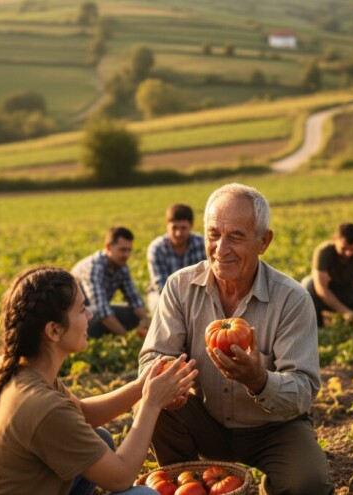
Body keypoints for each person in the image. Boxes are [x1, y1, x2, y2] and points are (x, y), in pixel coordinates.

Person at [139, 183, 334, 495]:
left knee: (309, 485)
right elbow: (153, 357)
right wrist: (169, 382)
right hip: (207, 420)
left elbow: (303, 390)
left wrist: (258, 379)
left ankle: (276, 480)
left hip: (273, 428)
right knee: (152, 402)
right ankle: (188, 482)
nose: (220, 248)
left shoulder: (292, 299)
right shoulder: (180, 287)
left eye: (236, 237)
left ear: (263, 241)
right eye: (214, 234)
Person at [0, 266, 196, 495]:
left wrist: (140, 387)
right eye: (81, 309)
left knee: (101, 440)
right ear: (53, 330)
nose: (90, 315)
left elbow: (84, 414)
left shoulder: (14, 367)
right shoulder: (43, 406)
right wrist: (151, 404)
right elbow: (121, 477)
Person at [72, 226, 151, 338]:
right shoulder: (94, 268)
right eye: (122, 250)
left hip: (96, 312)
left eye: (129, 250)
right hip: (77, 315)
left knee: (133, 313)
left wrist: (146, 319)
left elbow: (134, 299)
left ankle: (107, 334)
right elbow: (101, 310)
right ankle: (91, 337)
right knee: (96, 312)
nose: (126, 255)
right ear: (109, 247)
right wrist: (126, 337)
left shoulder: (122, 267)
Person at [301, 223, 353, 328]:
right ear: (335, 239)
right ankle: (317, 324)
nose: (348, 253)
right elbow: (321, 288)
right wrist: (344, 312)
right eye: (344, 248)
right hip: (326, 294)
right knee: (308, 284)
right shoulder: (324, 252)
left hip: (347, 292)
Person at [145, 203, 207, 313]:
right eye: (174, 228)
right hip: (165, 293)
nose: (178, 233)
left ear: (191, 226)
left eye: (183, 228)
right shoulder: (157, 248)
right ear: (167, 225)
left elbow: (207, 277)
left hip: (197, 293)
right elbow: (161, 284)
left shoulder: (202, 244)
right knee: (159, 305)